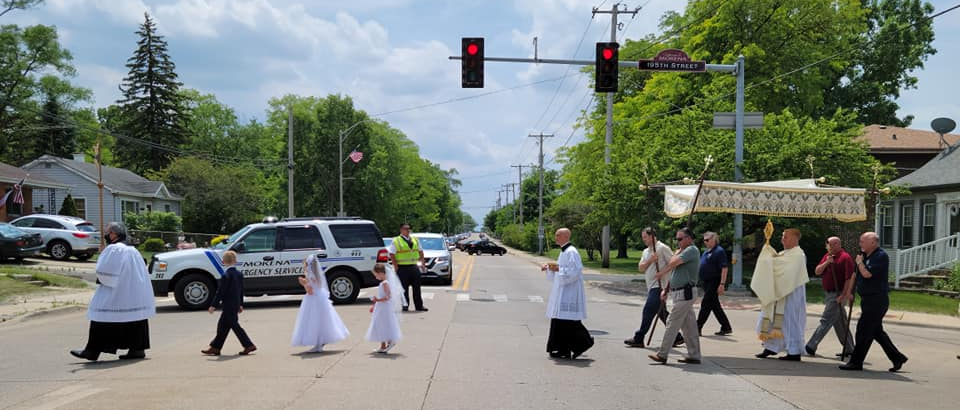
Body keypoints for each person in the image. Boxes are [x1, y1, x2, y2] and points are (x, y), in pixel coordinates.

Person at [70, 222, 156, 361]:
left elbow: (105, 272)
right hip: (134, 291)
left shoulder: (114, 249)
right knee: (135, 319)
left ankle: (92, 351)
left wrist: (101, 279)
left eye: (106, 232)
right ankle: (137, 349)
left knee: (101, 316)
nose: (105, 235)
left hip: (118, 291)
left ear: (114, 234)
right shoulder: (133, 250)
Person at [840, 232, 908, 372]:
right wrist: (849, 292)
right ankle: (897, 357)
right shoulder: (864, 256)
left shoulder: (880, 256)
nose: (860, 244)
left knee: (863, 331)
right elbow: (855, 274)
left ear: (873, 243)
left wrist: (859, 263)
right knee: (876, 332)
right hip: (867, 299)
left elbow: (867, 274)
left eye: (863, 241)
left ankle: (856, 362)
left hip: (877, 300)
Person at [648, 227, 702, 365]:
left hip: (686, 292)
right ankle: (694, 355)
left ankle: (663, 354)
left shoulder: (691, 250)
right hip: (679, 292)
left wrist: (676, 254)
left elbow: (672, 263)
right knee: (689, 326)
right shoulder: (682, 251)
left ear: (689, 238)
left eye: (680, 239)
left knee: (672, 322)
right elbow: (674, 273)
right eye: (676, 239)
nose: (678, 242)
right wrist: (666, 290)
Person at [752, 228, 808, 361]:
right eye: (782, 237)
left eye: (785, 237)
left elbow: (786, 272)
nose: (782, 239)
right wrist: (767, 252)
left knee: (789, 322)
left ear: (795, 238)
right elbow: (775, 266)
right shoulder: (784, 254)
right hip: (779, 293)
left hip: (790, 294)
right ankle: (770, 347)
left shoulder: (798, 255)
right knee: (772, 320)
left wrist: (770, 260)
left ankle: (794, 352)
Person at [624, 227, 682, 348]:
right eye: (643, 237)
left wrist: (662, 273)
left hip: (660, 286)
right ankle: (677, 337)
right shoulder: (646, 251)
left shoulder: (662, 248)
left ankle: (639, 337)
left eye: (645, 237)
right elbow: (641, 268)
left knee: (648, 309)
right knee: (661, 313)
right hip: (651, 286)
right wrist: (651, 260)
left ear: (652, 236)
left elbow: (674, 263)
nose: (643, 239)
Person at [542, 228, 594, 359]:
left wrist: (558, 269)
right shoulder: (563, 252)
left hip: (570, 291)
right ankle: (562, 349)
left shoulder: (572, 252)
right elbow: (561, 269)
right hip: (563, 290)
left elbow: (575, 271)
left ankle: (583, 343)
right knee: (560, 320)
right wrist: (550, 268)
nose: (556, 238)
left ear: (566, 236)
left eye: (558, 235)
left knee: (568, 320)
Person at [805, 236, 855, 357]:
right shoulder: (827, 256)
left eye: (831, 245)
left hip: (837, 294)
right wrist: (827, 262)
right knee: (840, 322)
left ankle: (811, 346)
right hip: (829, 294)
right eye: (828, 245)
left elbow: (849, 278)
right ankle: (850, 348)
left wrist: (843, 295)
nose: (829, 247)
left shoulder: (845, 258)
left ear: (838, 244)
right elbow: (817, 271)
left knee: (826, 320)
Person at [290, 252, 350, 353]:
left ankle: (318, 344)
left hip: (313, 299)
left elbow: (310, 290)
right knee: (322, 321)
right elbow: (316, 286)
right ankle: (320, 343)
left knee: (313, 321)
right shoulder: (317, 275)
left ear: (308, 266)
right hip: (320, 299)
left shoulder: (309, 275)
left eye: (304, 265)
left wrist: (303, 282)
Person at [202, 251, 256, 356]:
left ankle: (248, 345)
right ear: (235, 261)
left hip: (228, 305)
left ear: (223, 262)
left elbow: (220, 292)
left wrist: (213, 305)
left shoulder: (226, 276)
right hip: (235, 304)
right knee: (222, 326)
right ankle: (215, 347)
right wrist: (240, 304)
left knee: (235, 326)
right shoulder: (238, 274)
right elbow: (241, 291)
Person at [696, 231, 733, 336]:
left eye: (707, 240)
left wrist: (722, 284)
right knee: (714, 306)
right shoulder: (706, 252)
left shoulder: (719, 251)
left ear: (714, 239)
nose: (705, 242)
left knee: (706, 304)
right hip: (706, 282)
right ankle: (726, 326)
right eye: (704, 240)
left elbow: (724, 268)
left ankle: (698, 326)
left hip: (714, 281)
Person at [387, 223, 428, 312]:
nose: (408, 230)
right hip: (402, 268)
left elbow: (420, 252)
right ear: (401, 230)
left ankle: (419, 306)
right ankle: (405, 306)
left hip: (414, 266)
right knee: (403, 288)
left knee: (417, 287)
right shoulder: (396, 240)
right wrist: (396, 266)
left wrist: (423, 264)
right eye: (406, 229)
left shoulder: (415, 240)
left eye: (409, 228)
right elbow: (392, 254)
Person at [366, 263, 405, 353]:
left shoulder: (385, 283)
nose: (376, 277)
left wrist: (377, 300)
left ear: (381, 273)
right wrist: (375, 304)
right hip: (381, 307)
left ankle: (390, 341)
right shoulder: (384, 283)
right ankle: (383, 345)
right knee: (380, 324)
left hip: (384, 308)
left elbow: (388, 297)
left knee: (383, 324)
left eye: (376, 275)